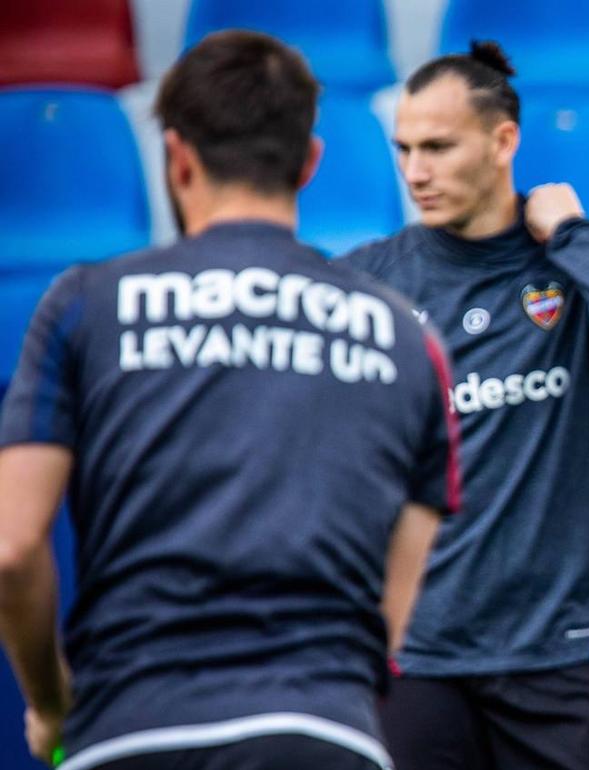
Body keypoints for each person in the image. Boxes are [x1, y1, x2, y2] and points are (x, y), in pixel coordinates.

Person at [0, 30, 459, 770]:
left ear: (176, 157)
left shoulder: (86, 304)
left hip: (130, 727)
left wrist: (53, 707)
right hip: (324, 733)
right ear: (309, 165)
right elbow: (393, 611)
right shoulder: (406, 340)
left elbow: (13, 548)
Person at [341, 41, 589, 770]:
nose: (415, 172)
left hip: (557, 654)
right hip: (419, 660)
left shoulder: (575, 260)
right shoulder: (370, 281)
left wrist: (570, 232)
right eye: (403, 149)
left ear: (503, 141)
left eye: (437, 146)